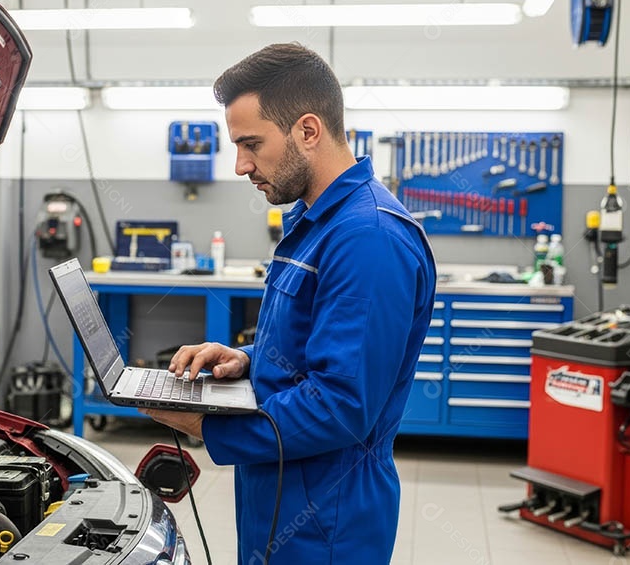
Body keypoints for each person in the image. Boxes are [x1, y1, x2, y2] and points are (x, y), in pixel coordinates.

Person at [142, 43, 437, 564]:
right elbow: (314, 342)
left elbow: (341, 407)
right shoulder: (314, 222)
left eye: (251, 143)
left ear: (307, 130)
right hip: (280, 488)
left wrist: (205, 426)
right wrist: (247, 359)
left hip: (328, 516)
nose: (239, 166)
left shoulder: (367, 237)